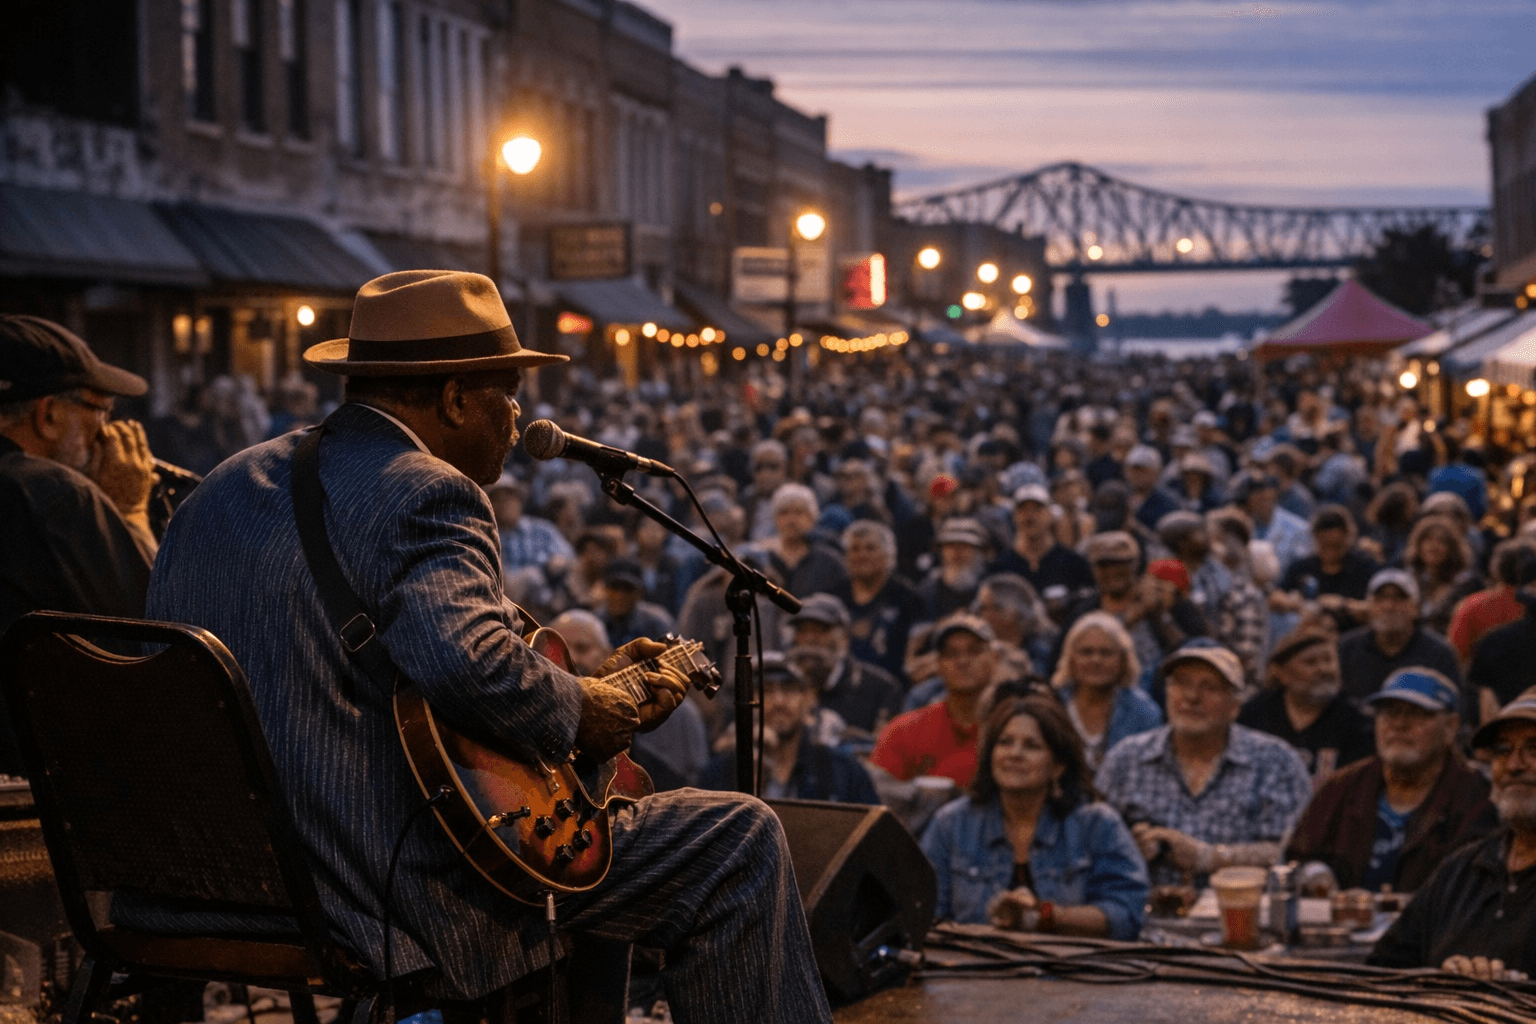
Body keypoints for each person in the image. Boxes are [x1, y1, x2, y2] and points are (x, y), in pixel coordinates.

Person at [144, 271, 831, 1021]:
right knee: (739, 841)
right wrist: (583, 709)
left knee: (596, 841)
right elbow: (468, 663)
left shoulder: (220, 488)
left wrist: (579, 689)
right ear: (454, 399)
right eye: (509, 394)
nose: (518, 416)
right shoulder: (425, 490)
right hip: (376, 885)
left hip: (204, 879)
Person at [0, 314, 160, 777]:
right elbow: (157, 637)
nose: (108, 429)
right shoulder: (54, 495)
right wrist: (131, 512)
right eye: (101, 410)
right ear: (48, 415)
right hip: (41, 777)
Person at [920, 693, 1148, 939]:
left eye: (1032, 746)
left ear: (1058, 766)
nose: (1015, 753)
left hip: (1068, 962)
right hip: (969, 961)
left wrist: (1044, 916)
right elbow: (924, 915)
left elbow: (1126, 914)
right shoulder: (951, 824)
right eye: (1005, 742)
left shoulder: (1097, 824)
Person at [1095, 643, 1312, 887]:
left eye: (1210, 687)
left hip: (1242, 907)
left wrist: (1209, 857)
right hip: (1146, 907)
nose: (1192, 697)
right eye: (1181, 683)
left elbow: (1295, 853)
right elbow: (1091, 845)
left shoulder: (1276, 761)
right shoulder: (1125, 759)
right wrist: (1129, 847)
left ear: (1234, 706)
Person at [1368, 686, 1536, 979]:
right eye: (1502, 750)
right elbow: (1383, 972)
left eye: (1535, 749)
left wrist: (1504, 990)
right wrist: (1442, 983)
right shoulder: (1464, 869)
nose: (1514, 765)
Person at [1285, 668, 1495, 893]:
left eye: (1417, 714)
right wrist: (1316, 874)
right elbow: (1298, 857)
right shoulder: (1342, 785)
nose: (1399, 724)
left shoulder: (1480, 795)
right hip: (1344, 915)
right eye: (1389, 712)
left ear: (1450, 727)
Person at [700, 652, 879, 804]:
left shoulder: (844, 773)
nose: (778, 701)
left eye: (789, 689)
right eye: (766, 690)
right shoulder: (721, 772)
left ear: (809, 698)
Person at [869, 615, 998, 788]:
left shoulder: (1014, 729)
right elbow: (877, 792)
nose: (962, 661)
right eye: (951, 653)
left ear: (995, 658)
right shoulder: (904, 731)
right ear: (938, 664)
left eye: (974, 651)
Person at [1238, 626, 1374, 783]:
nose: (1323, 669)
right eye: (1311, 662)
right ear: (1283, 674)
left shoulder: (1358, 720)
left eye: (1328, 660)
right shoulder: (1255, 713)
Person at [1050, 611, 1162, 771]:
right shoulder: (1052, 704)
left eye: (1106, 653)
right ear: (1070, 658)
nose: (1096, 660)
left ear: (1123, 660)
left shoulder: (1145, 713)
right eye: (1086, 652)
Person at [1336, 569, 1463, 705]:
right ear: (1369, 606)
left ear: (1416, 608)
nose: (1389, 606)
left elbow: (1455, 706)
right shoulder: (1347, 648)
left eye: (1399, 598)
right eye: (1380, 598)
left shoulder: (1439, 652)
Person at [782, 592, 902, 736]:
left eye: (820, 630)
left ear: (844, 636)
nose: (809, 638)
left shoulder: (881, 689)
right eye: (802, 630)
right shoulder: (779, 685)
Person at [834, 519, 925, 684]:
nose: (862, 555)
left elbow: (915, 655)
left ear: (888, 556)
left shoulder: (908, 597)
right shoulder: (834, 597)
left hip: (893, 685)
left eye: (870, 548)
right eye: (855, 549)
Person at [1272, 504, 1380, 633]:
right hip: (1311, 635)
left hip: (1353, 635)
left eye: (1336, 546)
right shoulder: (1302, 567)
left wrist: (1344, 605)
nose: (1330, 552)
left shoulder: (1364, 567)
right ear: (1315, 539)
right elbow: (1274, 597)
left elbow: (1378, 606)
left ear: (1348, 538)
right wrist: (1297, 605)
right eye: (1324, 545)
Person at [989, 483, 1094, 604]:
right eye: (1023, 509)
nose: (1029, 516)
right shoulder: (1001, 566)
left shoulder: (1073, 563)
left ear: (1049, 515)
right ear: (1014, 516)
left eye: (1037, 509)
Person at [752, 482, 848, 598]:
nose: (791, 520)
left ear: (812, 517)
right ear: (775, 518)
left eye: (799, 512)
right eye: (784, 512)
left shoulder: (829, 561)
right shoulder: (760, 556)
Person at [1404, 514, 1482, 638]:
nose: (1433, 546)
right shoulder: (1408, 580)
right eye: (1428, 540)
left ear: (1452, 548)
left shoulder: (1466, 583)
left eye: (1441, 541)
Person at [1231, 472, 1312, 576]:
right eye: (1256, 496)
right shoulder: (1240, 525)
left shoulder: (1299, 528)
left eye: (1265, 496)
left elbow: (1302, 568)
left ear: (1274, 495)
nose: (1262, 501)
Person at [917, 517, 991, 620]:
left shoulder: (992, 589)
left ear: (979, 552)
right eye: (950, 546)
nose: (956, 552)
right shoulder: (927, 591)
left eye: (964, 546)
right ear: (941, 551)